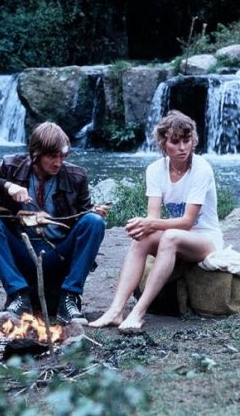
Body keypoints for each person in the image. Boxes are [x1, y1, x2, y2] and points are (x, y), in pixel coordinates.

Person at [0, 122, 108, 324]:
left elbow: (82, 219)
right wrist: (7, 185)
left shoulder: (77, 175)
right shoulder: (11, 166)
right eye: (52, 156)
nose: (58, 163)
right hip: (21, 252)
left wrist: (92, 211)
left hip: (59, 253)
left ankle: (69, 299)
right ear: (36, 153)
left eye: (63, 156)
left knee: (94, 221)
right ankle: (19, 296)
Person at [89, 110, 223, 333]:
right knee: (142, 238)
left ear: (194, 140)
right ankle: (116, 310)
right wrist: (142, 225)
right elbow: (153, 217)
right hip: (178, 236)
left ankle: (138, 312)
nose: (182, 148)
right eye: (175, 141)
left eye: (187, 140)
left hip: (206, 239)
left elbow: (189, 221)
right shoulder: (155, 170)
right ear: (163, 143)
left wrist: (151, 224)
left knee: (169, 236)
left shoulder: (201, 168)